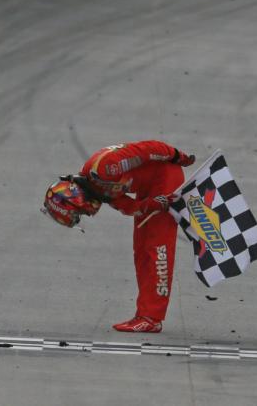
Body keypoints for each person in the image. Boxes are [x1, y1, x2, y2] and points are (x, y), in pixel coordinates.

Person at [42, 140, 195, 333]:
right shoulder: (97, 186)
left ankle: (151, 318)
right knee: (141, 251)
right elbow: (128, 207)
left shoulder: (104, 169)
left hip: (166, 178)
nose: (86, 214)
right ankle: (145, 315)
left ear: (74, 199)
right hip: (151, 189)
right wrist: (152, 204)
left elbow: (148, 149)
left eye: (79, 212)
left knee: (157, 250)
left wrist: (177, 156)